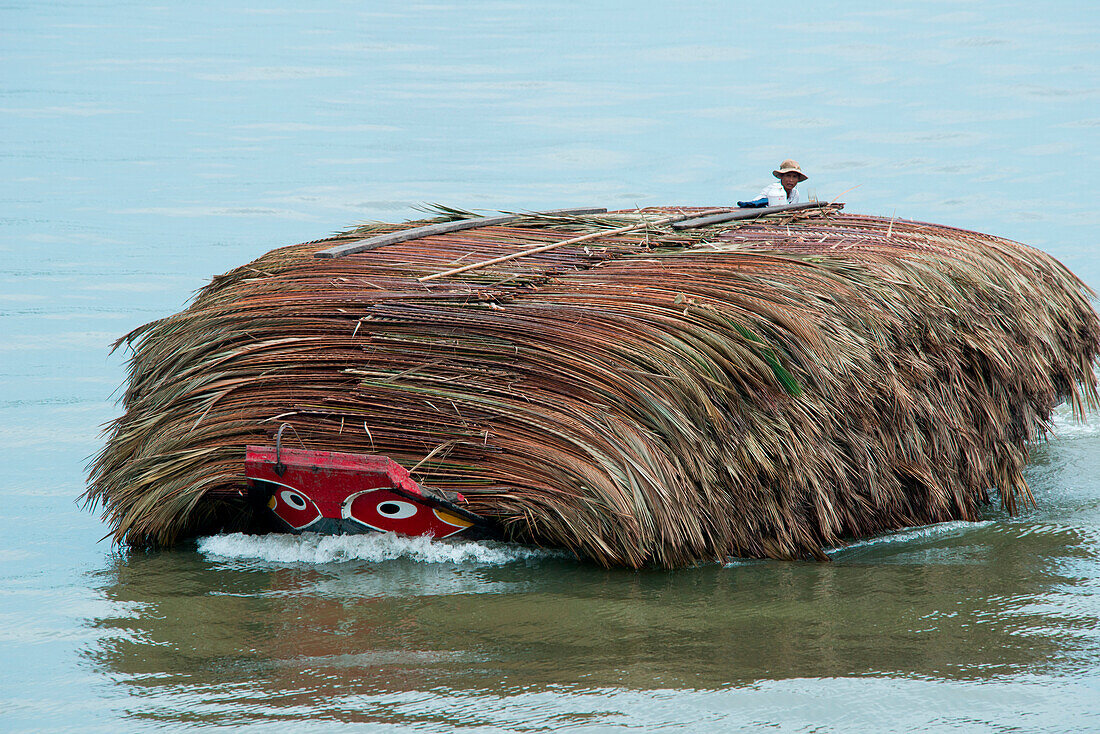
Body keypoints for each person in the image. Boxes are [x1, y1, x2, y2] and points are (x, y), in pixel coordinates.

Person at [737, 160, 808, 208]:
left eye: (794, 177)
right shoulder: (773, 189)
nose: (791, 180)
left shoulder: (795, 194)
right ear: (781, 177)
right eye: (788, 176)